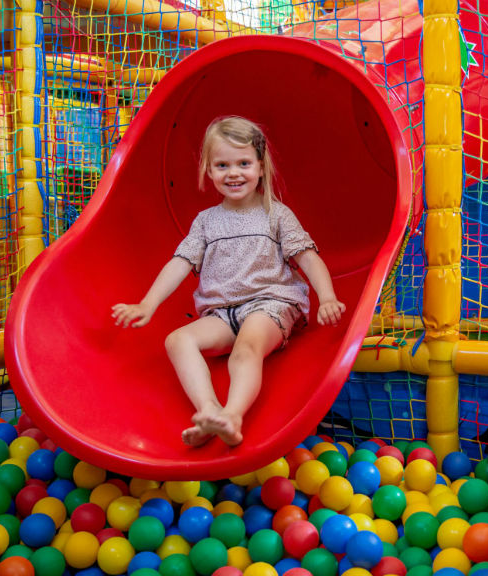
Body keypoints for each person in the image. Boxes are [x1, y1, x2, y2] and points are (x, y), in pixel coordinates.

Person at [111, 116, 345, 447]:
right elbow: (180, 263)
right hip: (222, 313)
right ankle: (208, 411)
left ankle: (232, 415)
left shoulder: (276, 215)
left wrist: (328, 297)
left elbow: (308, 257)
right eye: (222, 165)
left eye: (243, 163)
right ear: (209, 171)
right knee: (177, 341)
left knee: (245, 349)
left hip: (271, 303)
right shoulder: (206, 222)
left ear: (261, 167)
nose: (233, 173)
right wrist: (147, 303)